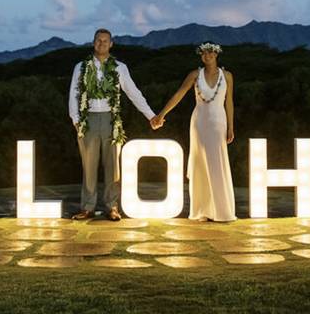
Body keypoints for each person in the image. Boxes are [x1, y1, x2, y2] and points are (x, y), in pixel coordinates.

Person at [69, 28, 157, 221]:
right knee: (89, 166)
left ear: (111, 44)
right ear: (94, 43)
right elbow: (74, 94)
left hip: (111, 119)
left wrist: (150, 115)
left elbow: (133, 93)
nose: (102, 44)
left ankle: (112, 206)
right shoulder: (81, 67)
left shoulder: (119, 68)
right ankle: (87, 207)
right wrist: (76, 120)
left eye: (105, 41)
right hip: (88, 119)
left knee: (112, 166)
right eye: (98, 41)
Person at [151, 42, 236, 222]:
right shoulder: (194, 75)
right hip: (199, 123)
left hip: (218, 122)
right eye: (204, 53)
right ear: (201, 56)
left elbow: (229, 101)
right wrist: (161, 114)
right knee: (200, 164)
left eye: (211, 53)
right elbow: (179, 94)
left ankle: (222, 210)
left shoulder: (227, 76)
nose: (208, 56)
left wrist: (231, 126)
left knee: (217, 163)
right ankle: (203, 210)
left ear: (217, 54)